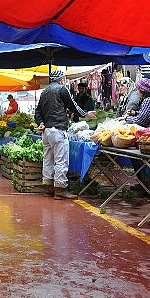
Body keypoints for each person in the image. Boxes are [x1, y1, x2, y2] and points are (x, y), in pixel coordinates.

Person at [35, 70, 96, 200]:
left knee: (48, 160)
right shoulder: (62, 89)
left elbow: (38, 111)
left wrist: (40, 123)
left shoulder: (44, 92)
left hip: (46, 131)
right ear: (61, 79)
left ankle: (48, 187)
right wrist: (86, 114)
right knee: (61, 160)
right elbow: (72, 105)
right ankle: (60, 189)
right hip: (58, 129)